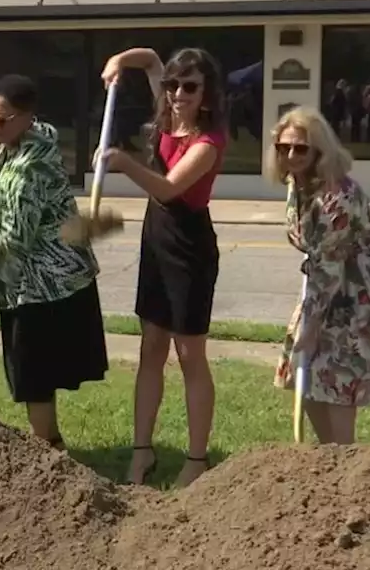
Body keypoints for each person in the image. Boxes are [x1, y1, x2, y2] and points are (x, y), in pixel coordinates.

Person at [0, 75, 108, 450]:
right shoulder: (14, 147)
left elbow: (14, 236)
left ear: (27, 117)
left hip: (48, 286)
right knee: (32, 375)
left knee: (34, 375)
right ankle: (47, 447)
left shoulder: (32, 164)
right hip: (25, 284)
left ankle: (48, 451)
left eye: (1, 119)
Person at [96, 47, 226, 487]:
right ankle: (142, 451)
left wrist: (124, 162)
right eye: (173, 85)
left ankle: (195, 459)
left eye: (189, 86)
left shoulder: (209, 143)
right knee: (151, 346)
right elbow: (150, 58)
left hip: (190, 247)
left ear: (206, 94)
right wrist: (118, 62)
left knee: (190, 355)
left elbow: (169, 189)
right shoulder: (168, 114)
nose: (177, 93)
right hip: (156, 240)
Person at [266, 106, 370, 443]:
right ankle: (329, 457)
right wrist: (307, 328)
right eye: (283, 148)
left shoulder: (336, 198)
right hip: (325, 278)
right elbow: (319, 260)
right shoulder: (299, 183)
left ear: (320, 150)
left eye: (300, 148)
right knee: (302, 370)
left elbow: (331, 265)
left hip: (358, 288)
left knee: (338, 369)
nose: (291, 155)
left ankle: (342, 455)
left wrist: (309, 327)